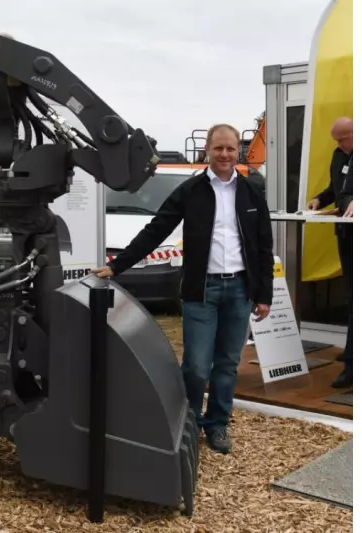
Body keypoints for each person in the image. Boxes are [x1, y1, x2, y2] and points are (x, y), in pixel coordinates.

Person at [92, 124, 274, 454]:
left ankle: (217, 424)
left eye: (230, 149)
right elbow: (157, 229)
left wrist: (264, 295)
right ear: (207, 150)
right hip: (201, 291)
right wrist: (118, 265)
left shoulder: (251, 194)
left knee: (228, 363)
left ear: (238, 152)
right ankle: (187, 422)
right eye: (218, 148)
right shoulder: (190, 191)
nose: (224, 154)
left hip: (239, 290)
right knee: (196, 365)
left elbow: (264, 246)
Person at [306, 116, 353, 388]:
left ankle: (350, 364)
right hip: (345, 234)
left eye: (343, 139)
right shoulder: (339, 156)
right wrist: (320, 200)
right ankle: (350, 356)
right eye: (337, 140)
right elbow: (338, 190)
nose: (340, 144)